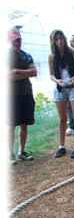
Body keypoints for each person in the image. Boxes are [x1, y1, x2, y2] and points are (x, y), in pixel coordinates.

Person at [48, 30, 74, 159]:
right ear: (53, 41)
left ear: (64, 38)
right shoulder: (52, 56)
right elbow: (51, 74)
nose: (60, 41)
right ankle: (61, 146)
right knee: (62, 119)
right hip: (60, 87)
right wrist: (57, 80)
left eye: (61, 38)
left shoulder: (73, 52)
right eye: (56, 39)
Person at [9, 28, 37, 163]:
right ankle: (9, 154)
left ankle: (21, 151)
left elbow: (34, 72)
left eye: (19, 39)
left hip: (26, 93)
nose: (17, 42)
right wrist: (25, 73)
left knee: (24, 124)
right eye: (15, 40)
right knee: (11, 125)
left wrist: (17, 71)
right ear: (9, 40)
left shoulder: (26, 55)